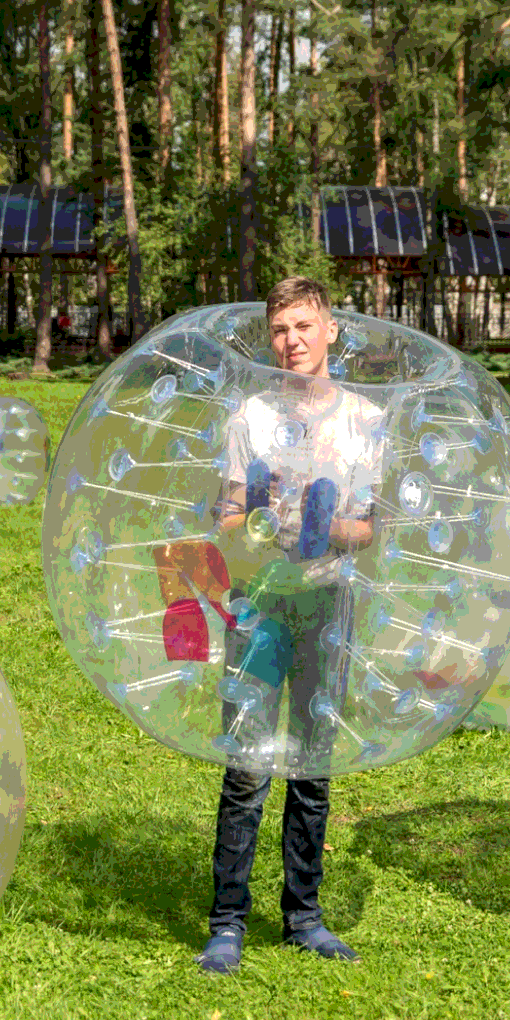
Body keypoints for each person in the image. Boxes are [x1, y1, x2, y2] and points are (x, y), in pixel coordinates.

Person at [197, 278, 381, 975]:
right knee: (246, 763)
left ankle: (303, 915)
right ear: (268, 337)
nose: (292, 340)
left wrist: (323, 525)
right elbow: (225, 517)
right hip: (259, 600)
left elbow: (368, 529)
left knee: (312, 763)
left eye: (304, 325)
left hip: (326, 600)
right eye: (280, 329)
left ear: (330, 329)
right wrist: (256, 517)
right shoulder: (250, 416)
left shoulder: (364, 418)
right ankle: (227, 920)